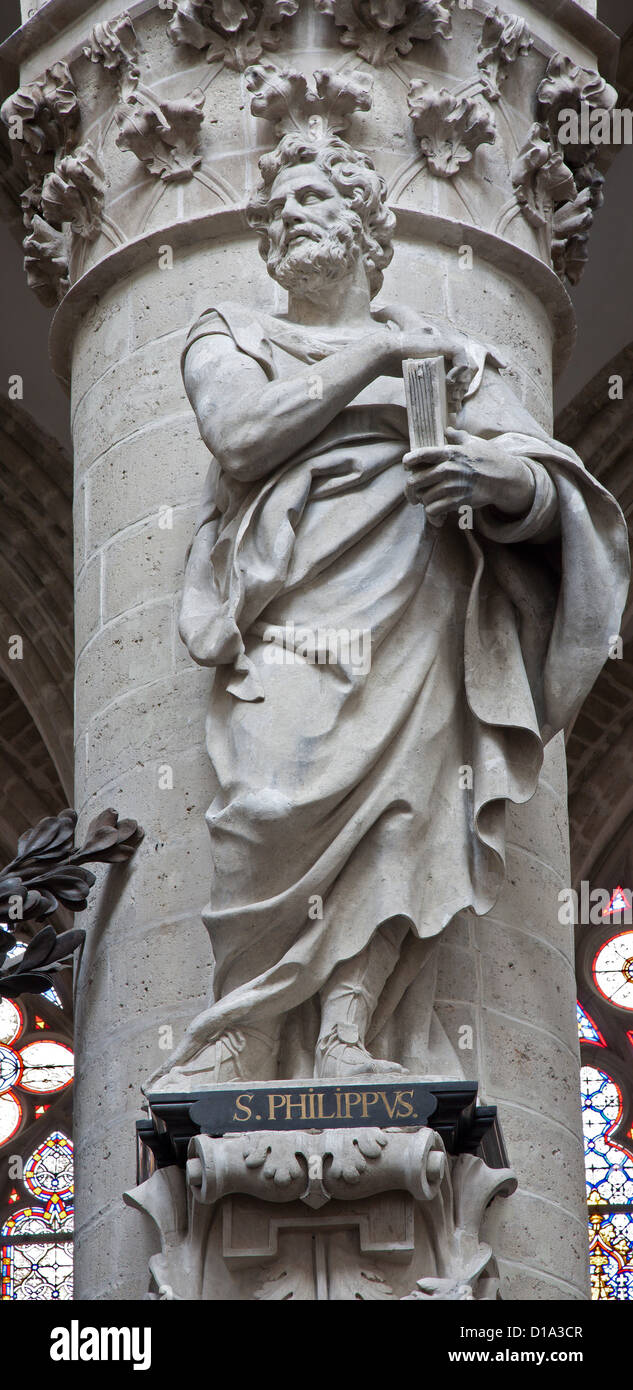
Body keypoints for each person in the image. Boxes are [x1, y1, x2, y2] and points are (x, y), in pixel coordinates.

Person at [149, 131, 629, 1091]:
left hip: (418, 604)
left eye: (316, 199)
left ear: (369, 232)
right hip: (289, 615)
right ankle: (245, 1022)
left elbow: (552, 491)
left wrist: (497, 480)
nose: (291, 216)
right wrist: (376, 351)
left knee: (407, 812)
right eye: (279, 204)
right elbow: (242, 438)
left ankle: (346, 1027)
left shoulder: (452, 357)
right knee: (267, 801)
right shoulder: (230, 333)